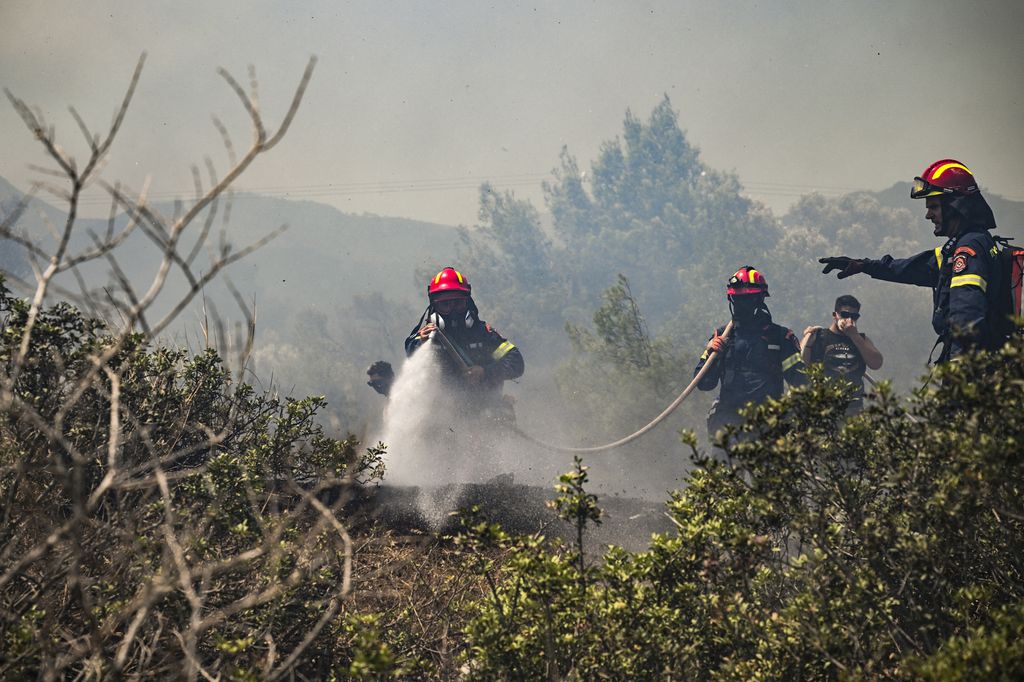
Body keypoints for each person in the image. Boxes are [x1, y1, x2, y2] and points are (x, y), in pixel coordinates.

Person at [820, 159, 1000, 363]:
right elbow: (910, 268)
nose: (928, 215)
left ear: (954, 206)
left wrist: (960, 368)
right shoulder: (962, 246)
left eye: (933, 207)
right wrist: (863, 265)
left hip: (970, 368)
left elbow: (967, 316)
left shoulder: (968, 251)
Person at [695, 266, 806, 446]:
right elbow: (703, 383)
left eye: (747, 298)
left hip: (768, 427)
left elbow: (801, 383)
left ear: (760, 299)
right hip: (728, 425)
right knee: (725, 473)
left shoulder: (780, 338)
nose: (741, 304)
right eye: (737, 298)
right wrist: (711, 353)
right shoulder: (722, 337)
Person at [405, 266, 524, 421]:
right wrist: (422, 342)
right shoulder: (426, 337)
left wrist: (485, 372)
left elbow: (516, 362)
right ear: (435, 306)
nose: (453, 311)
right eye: (445, 305)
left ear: (468, 302)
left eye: (458, 304)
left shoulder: (484, 335)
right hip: (442, 417)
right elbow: (411, 352)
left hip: (486, 413)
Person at [800, 295, 883, 412]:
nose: (849, 320)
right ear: (835, 315)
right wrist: (808, 339)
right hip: (823, 408)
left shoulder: (861, 339)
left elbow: (876, 363)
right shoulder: (819, 336)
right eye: (845, 315)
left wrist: (854, 336)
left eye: (854, 316)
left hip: (853, 408)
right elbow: (801, 365)